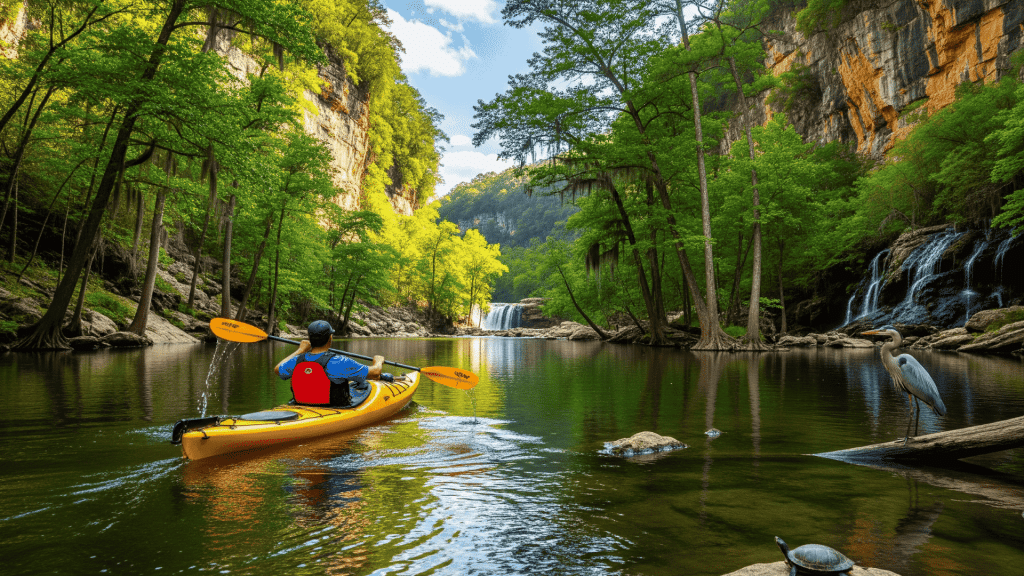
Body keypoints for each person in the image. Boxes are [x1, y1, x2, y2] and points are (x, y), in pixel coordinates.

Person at [274, 320, 390, 408]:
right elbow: (375, 373)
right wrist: (378, 361)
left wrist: (300, 350)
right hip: (333, 407)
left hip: (301, 405)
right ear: (330, 338)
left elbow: (278, 369)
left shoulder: (297, 360)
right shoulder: (339, 361)